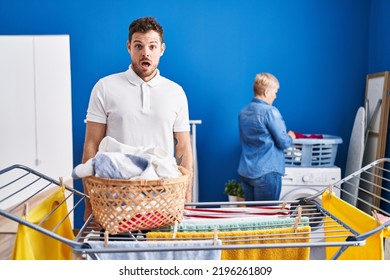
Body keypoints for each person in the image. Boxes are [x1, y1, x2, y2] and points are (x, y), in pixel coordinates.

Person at [81, 17, 193, 220]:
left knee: (160, 251)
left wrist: (186, 198)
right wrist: (90, 205)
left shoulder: (176, 92)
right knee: (114, 250)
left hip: (163, 199)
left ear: (162, 49)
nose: (146, 52)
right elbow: (91, 145)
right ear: (129, 47)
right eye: (139, 46)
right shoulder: (105, 87)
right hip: (115, 200)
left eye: (152, 46)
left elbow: (184, 147)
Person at [237, 73, 295, 202]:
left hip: (246, 171)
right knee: (267, 217)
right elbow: (283, 143)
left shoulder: (243, 112)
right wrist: (291, 136)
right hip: (266, 172)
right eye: (275, 92)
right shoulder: (270, 112)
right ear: (267, 92)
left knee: (253, 218)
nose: (275, 96)